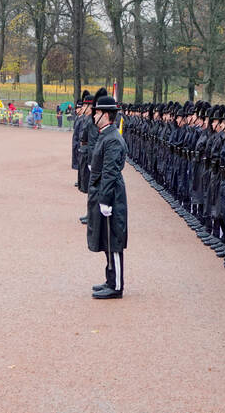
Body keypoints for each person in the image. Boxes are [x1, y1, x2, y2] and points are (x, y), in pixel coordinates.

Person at [86, 92, 128, 299]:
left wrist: (105, 199)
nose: (94, 116)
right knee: (106, 239)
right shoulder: (106, 135)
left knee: (114, 241)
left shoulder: (112, 139)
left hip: (111, 196)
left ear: (106, 115)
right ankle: (110, 279)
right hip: (104, 192)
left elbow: (110, 172)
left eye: (97, 112)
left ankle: (117, 286)